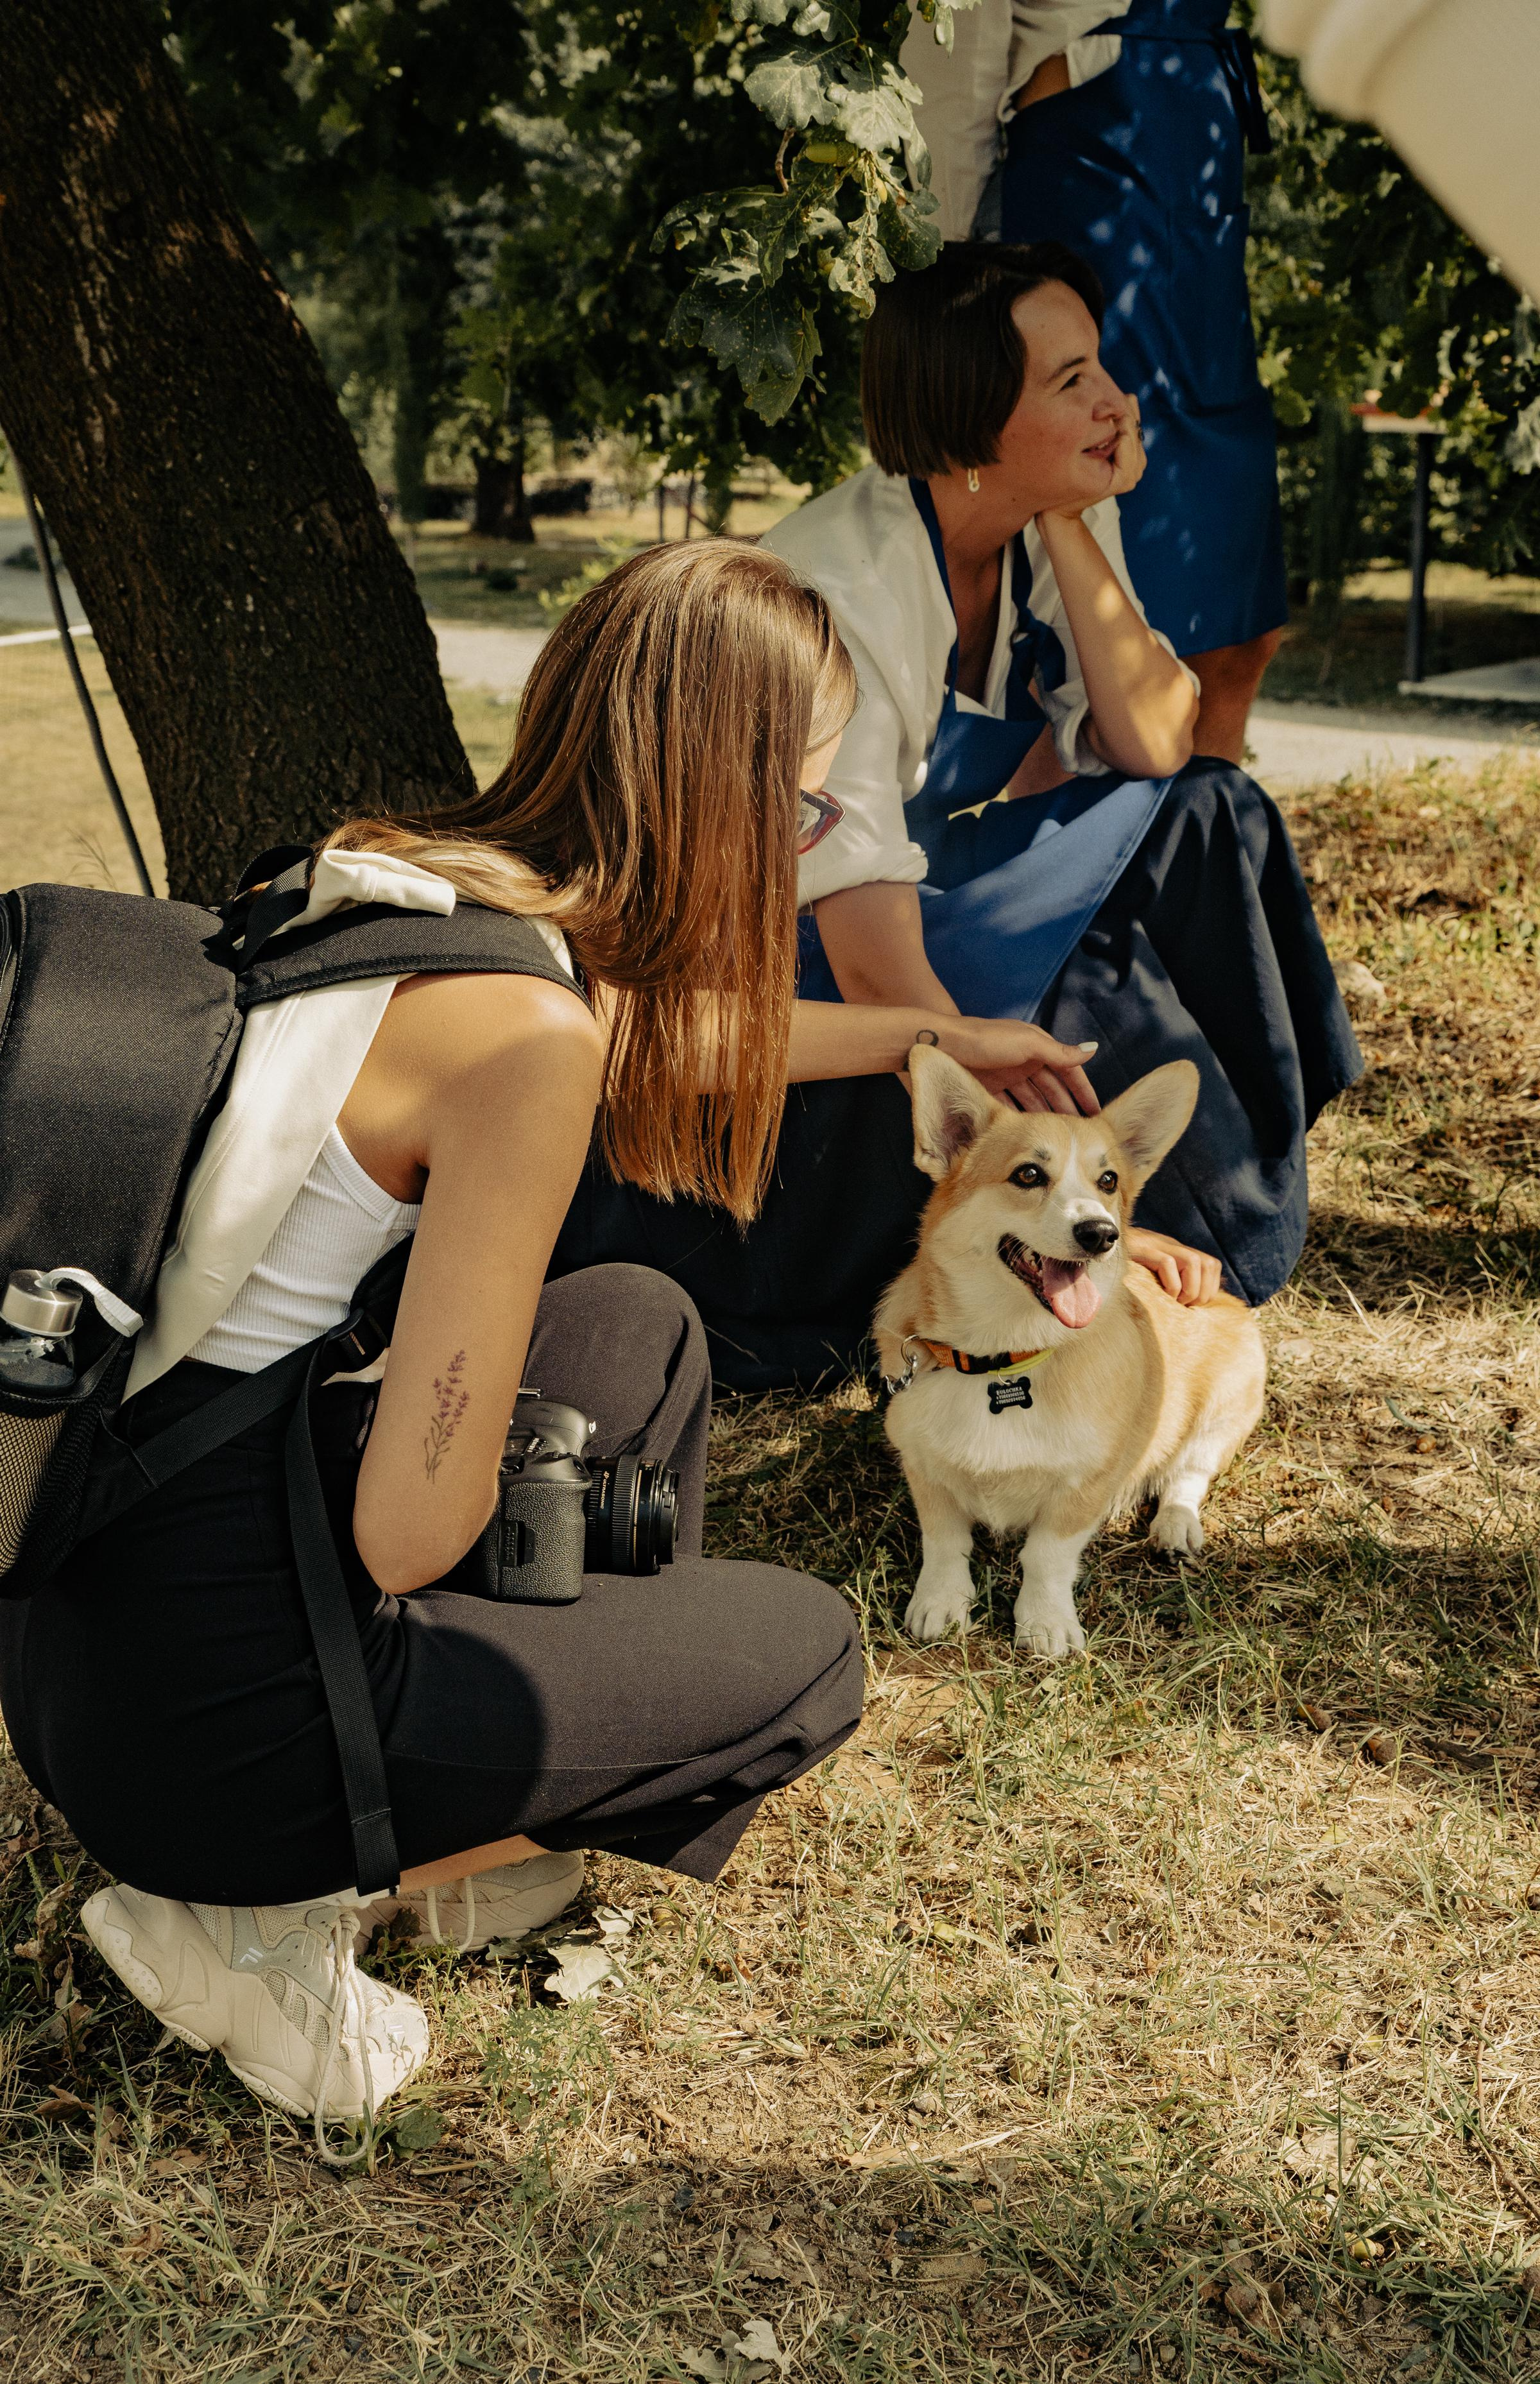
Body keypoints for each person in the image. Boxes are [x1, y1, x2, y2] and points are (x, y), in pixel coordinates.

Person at [0, 542, 1102, 2143]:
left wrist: (931, 1037)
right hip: (218, 1742)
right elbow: (410, 1528)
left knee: (637, 1332)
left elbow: (656, 1030)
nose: (808, 850)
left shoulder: (412, 890)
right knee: (804, 1652)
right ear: (725, 805)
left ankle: (433, 1817)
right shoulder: (527, 1045)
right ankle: (273, 1913)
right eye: (806, 812)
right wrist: (453, 1391)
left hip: (87, 1649)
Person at [556, 246, 1359, 1389]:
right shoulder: (844, 591)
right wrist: (986, 1102)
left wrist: (1070, 522)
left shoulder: (1037, 508)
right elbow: (871, 960)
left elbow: (1157, 739)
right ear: (973, 420)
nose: (1116, 402)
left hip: (916, 879)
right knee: (1102, 942)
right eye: (1072, 381)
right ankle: (1173, 1226)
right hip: (785, 940)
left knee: (1206, 810)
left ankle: (1259, 1151)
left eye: (1103, 369)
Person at [902, 0, 1288, 762]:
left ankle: (1202, 835)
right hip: (1095, 151)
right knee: (1096, 642)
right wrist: (949, 255)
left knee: (1241, 635)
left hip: (1197, 138)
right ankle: (1067, 840)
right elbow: (960, 32)